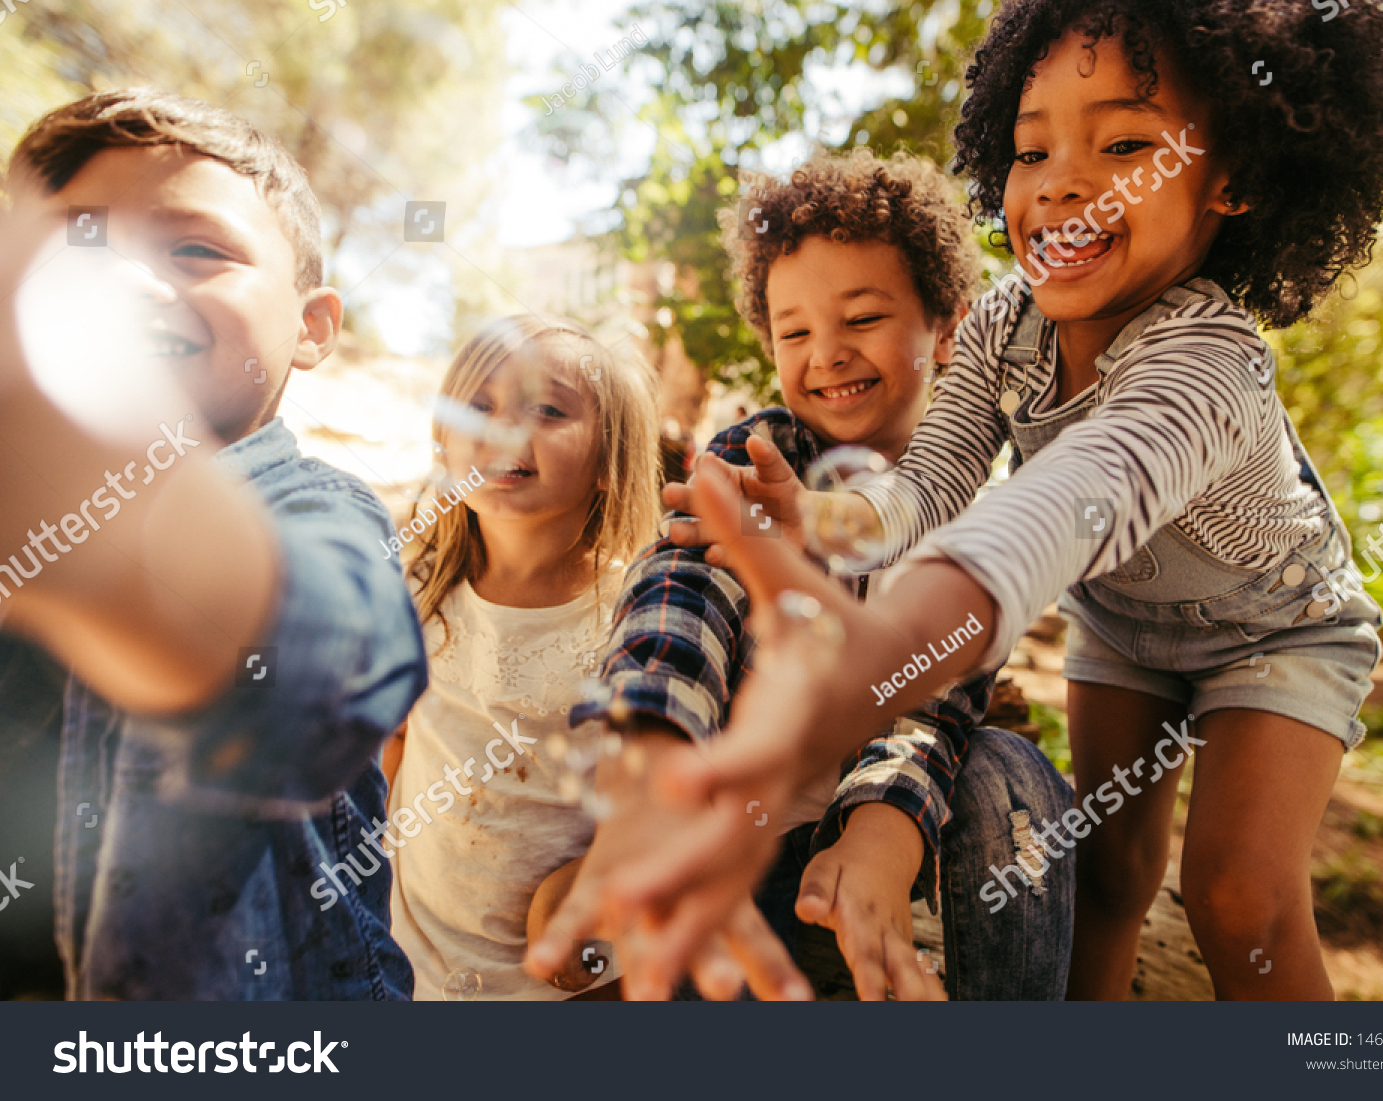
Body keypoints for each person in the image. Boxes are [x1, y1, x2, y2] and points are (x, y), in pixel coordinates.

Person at [529, 0, 1383, 1001]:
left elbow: (1068, 502)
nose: (1063, 187)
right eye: (1032, 149)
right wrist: (825, 523)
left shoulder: (1207, 363)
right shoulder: (1007, 327)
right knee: (1109, 872)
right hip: (1127, 629)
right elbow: (932, 485)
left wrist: (885, 646)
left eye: (1127, 143)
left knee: (1235, 892)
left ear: (1230, 180)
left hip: (1277, 627)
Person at [529, 151, 1075, 1001]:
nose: (826, 354)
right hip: (750, 822)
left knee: (1018, 776)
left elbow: (937, 700)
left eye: (861, 318)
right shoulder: (759, 456)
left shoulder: (975, 506)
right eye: (793, 332)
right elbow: (680, 599)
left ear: (948, 327)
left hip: (896, 816)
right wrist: (650, 763)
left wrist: (880, 836)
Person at [0, 89, 427, 998]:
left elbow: (343, 673)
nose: (124, 282)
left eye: (194, 249)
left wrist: (115, 533)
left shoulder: (319, 507)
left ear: (311, 327)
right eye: (75, 244)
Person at [379, 317, 660, 1000]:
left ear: (608, 459)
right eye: (480, 405)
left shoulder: (639, 609)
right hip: (416, 959)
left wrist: (598, 872)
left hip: (575, 972)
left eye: (548, 408)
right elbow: (395, 746)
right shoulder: (416, 587)